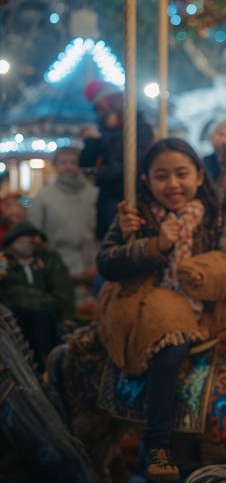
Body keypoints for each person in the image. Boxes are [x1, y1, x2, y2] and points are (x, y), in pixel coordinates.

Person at [96, 138, 226, 481]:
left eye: (181, 174)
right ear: (145, 180)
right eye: (161, 176)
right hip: (147, 300)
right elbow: (106, 263)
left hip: (201, 300)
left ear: (200, 176)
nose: (173, 184)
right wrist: (151, 245)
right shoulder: (134, 215)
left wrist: (209, 271)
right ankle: (157, 442)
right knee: (171, 346)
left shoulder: (213, 215)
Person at [79, 80, 154, 241]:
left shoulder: (140, 129)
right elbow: (85, 165)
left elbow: (134, 163)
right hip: (108, 199)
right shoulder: (102, 133)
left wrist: (99, 175)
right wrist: (93, 142)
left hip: (132, 194)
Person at [0, 221, 74, 370]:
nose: (30, 241)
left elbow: (62, 297)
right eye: (25, 237)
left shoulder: (50, 261)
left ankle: (44, 371)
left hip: (49, 322)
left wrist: (21, 295)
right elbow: (5, 301)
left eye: (34, 237)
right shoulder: (3, 264)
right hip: (13, 324)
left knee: (39, 317)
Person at [29, 147, 98, 283]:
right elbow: (35, 235)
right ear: (56, 166)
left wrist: (97, 264)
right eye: (63, 162)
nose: (69, 167)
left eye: (73, 162)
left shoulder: (94, 194)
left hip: (89, 265)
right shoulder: (43, 197)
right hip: (56, 267)